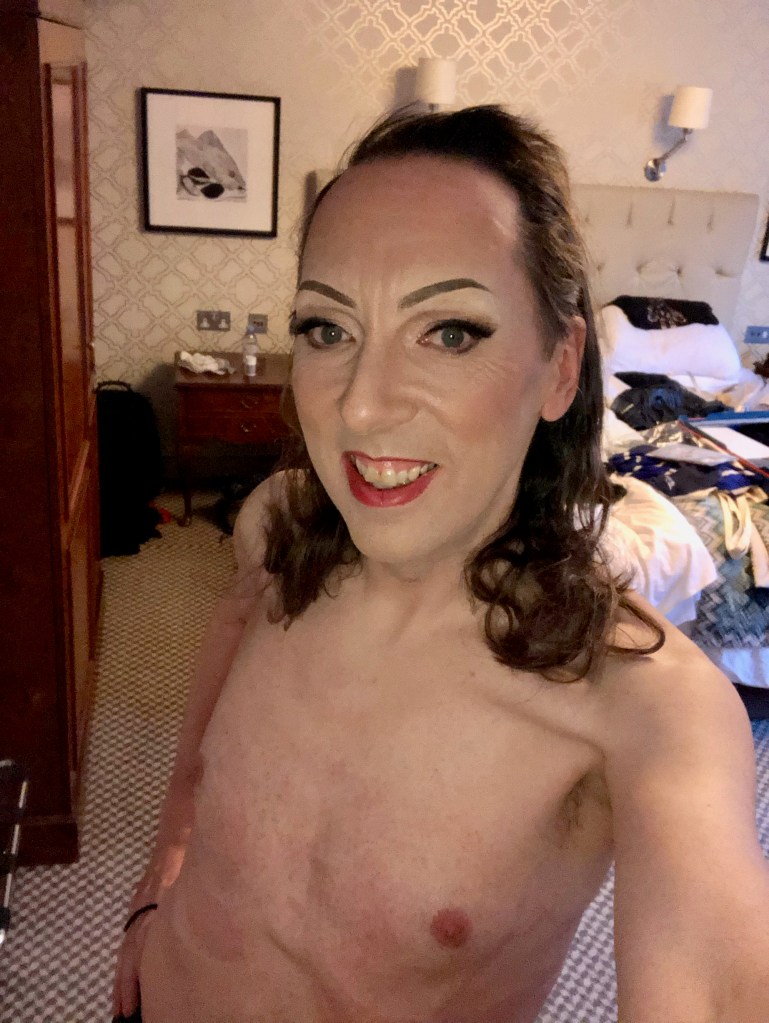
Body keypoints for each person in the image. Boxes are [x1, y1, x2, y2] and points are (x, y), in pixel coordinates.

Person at [112, 105, 769, 1023]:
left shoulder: (646, 705)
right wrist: (162, 873)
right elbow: (208, 711)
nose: (362, 407)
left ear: (561, 368)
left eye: (450, 331)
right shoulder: (278, 528)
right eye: (327, 328)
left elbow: (719, 982)